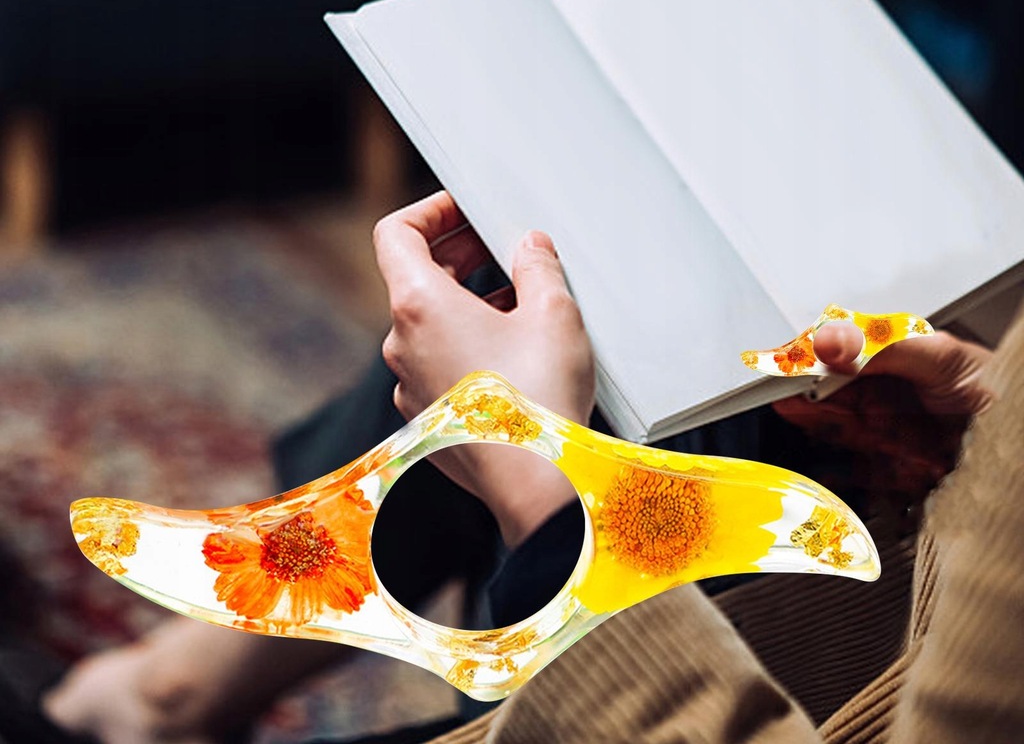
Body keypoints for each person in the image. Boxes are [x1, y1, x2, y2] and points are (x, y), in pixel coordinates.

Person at [39, 190, 1018, 744]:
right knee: (561, 299)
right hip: (877, 623)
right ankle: (186, 680)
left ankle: (171, 692)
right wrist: (986, 426)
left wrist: (545, 493)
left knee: (532, 357)